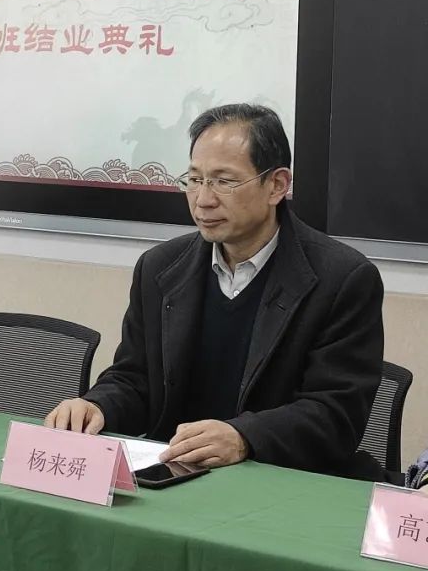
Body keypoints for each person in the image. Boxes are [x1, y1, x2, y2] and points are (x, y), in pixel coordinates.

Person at [45, 103, 385, 479]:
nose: (203, 199)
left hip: (282, 481)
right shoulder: (159, 268)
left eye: (224, 181)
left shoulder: (342, 279)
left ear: (277, 185)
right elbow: (135, 379)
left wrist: (245, 437)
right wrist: (97, 406)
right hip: (176, 476)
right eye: (194, 180)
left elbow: (336, 415)